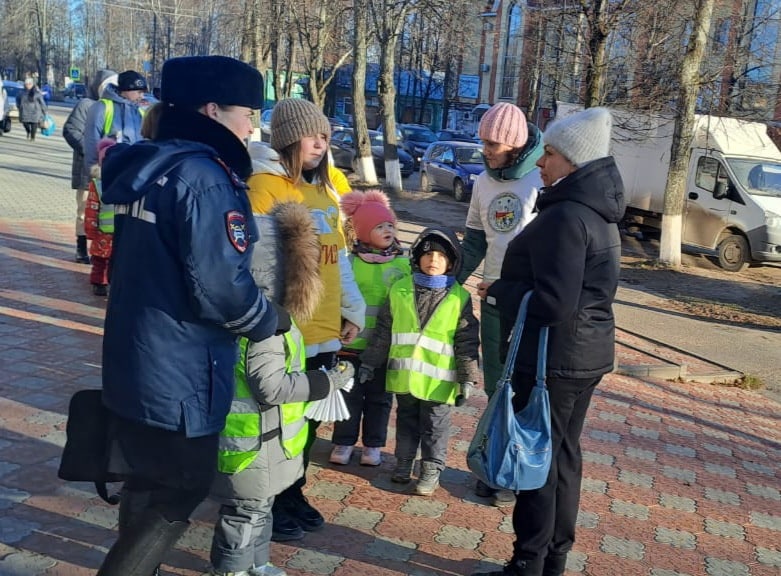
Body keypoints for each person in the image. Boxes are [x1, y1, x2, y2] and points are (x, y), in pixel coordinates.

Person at [96, 55, 280, 576]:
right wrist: (270, 320)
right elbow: (221, 287)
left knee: (146, 480)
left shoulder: (151, 164)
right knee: (181, 487)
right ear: (213, 109)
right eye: (248, 114)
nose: (252, 127)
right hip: (181, 367)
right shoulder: (204, 177)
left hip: (135, 355)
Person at [473, 107, 625, 576]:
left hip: (553, 360)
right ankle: (551, 559)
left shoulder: (567, 216)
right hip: (581, 355)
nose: (541, 161)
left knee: (537, 461)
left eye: (551, 154)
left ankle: (528, 563)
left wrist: (500, 289)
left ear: (573, 162)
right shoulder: (594, 210)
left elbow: (555, 301)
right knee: (562, 459)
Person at [210, 201, 355, 576]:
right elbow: (271, 386)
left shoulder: (266, 317)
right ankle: (231, 570)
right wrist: (327, 382)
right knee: (245, 512)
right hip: (250, 444)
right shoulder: (265, 327)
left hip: (267, 441)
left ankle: (257, 564)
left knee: (260, 506)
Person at [246, 97, 365, 542]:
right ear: (287, 138)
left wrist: (350, 311)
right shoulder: (265, 187)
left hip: (324, 328)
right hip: (287, 328)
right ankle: (270, 499)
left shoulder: (324, 190)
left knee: (310, 418)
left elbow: (341, 262)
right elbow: (256, 266)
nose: (321, 144)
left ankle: (293, 488)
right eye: (312, 135)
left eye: (326, 137)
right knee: (279, 418)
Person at [457, 102, 543, 507]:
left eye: (492, 143)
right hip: (491, 300)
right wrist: (446, 283)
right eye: (483, 141)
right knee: (495, 387)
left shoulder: (540, 182)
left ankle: (516, 469)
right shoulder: (483, 183)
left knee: (522, 386)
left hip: (527, 304)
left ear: (513, 143)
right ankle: (493, 465)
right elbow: (475, 241)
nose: (485, 150)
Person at [361, 227, 480, 496]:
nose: (433, 261)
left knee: (435, 427)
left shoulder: (459, 297)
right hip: (405, 378)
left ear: (452, 262)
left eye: (441, 256)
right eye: (427, 255)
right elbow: (383, 331)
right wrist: (369, 362)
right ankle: (403, 462)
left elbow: (467, 341)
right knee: (406, 422)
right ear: (416, 259)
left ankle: (430, 469)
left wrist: (467, 378)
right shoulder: (400, 289)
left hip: (440, 383)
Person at [328, 189, 410, 467]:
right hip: (350, 345)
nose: (387, 230)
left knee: (380, 399)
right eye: (379, 226)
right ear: (362, 232)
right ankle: (343, 441)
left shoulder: (402, 263)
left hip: (385, 348)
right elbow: (336, 297)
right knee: (348, 394)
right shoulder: (349, 263)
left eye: (390, 225)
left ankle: (373, 444)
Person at [63, 69, 118, 263]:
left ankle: (101, 249)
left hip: (107, 168)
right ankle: (81, 247)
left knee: (104, 214)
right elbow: (70, 129)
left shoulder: (112, 106)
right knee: (84, 209)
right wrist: (88, 149)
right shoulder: (86, 105)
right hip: (87, 168)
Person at [83, 69, 146, 175]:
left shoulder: (139, 112)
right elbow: (91, 141)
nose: (142, 96)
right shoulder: (102, 107)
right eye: (139, 92)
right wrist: (94, 170)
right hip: (109, 171)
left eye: (143, 93)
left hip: (134, 173)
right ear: (126, 90)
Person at [84, 137, 118, 296]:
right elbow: (92, 208)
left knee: (110, 260)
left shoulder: (119, 181)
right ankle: (98, 282)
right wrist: (90, 230)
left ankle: (107, 282)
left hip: (114, 231)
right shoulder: (98, 184)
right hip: (103, 230)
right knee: (99, 260)